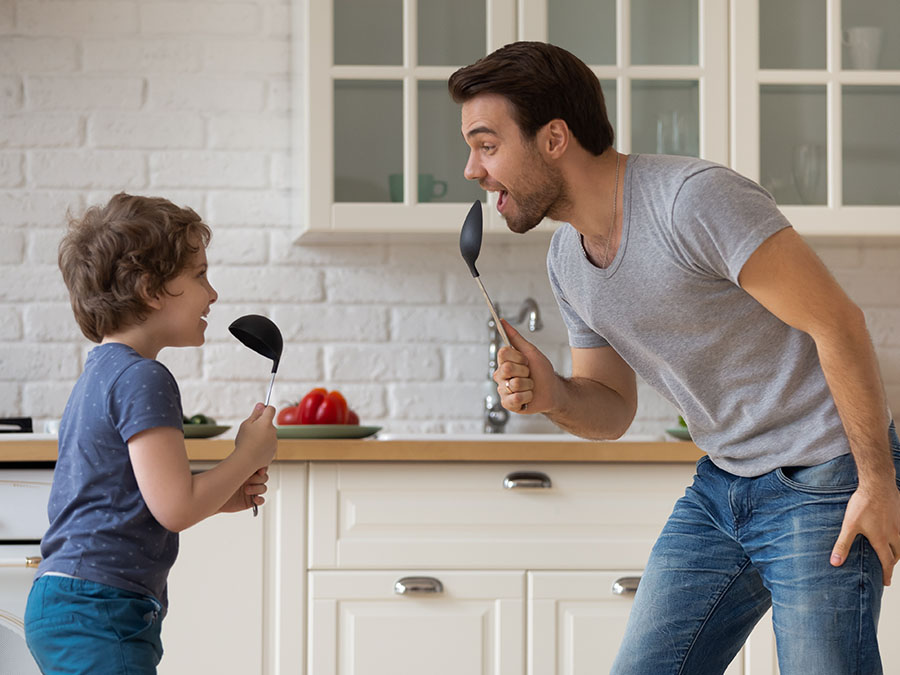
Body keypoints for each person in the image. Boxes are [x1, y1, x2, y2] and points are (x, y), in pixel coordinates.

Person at [449, 41, 900, 674]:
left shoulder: (692, 200)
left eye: (487, 144)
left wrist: (878, 481)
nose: (471, 169)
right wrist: (552, 394)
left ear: (554, 138)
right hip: (722, 485)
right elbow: (611, 409)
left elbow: (839, 324)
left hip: (821, 477)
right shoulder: (567, 261)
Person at [25, 193, 278, 674]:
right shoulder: (145, 377)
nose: (214, 293)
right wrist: (246, 455)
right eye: (200, 275)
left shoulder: (101, 372)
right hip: (100, 608)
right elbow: (176, 507)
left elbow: (132, 498)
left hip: (71, 600)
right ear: (151, 289)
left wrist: (225, 494)